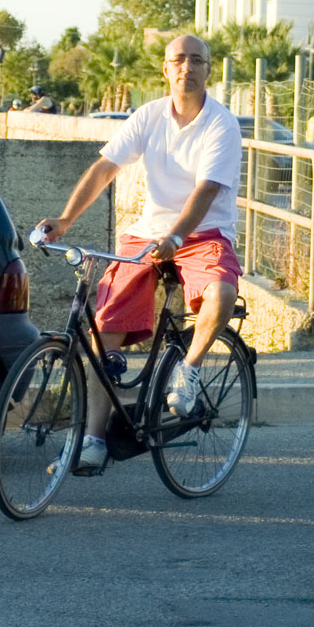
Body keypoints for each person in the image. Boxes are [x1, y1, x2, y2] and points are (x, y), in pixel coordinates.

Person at [37, 34, 243, 473]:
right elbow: (105, 168)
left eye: (196, 60)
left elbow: (207, 190)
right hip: (148, 235)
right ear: (165, 69)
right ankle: (93, 439)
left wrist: (177, 235)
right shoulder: (148, 116)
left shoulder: (221, 124)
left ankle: (189, 368)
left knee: (221, 291)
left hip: (203, 232)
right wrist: (66, 220)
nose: (186, 67)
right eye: (178, 60)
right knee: (102, 332)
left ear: (209, 69)